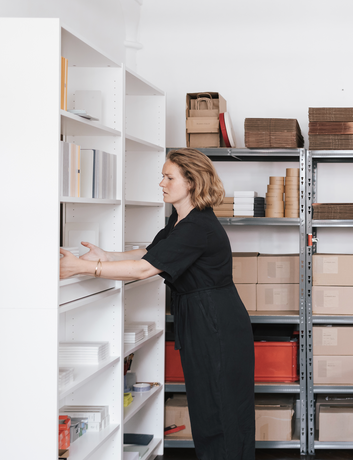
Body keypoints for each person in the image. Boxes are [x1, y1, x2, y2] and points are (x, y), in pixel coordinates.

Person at [60, 148, 256, 460]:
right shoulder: (181, 220)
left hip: (215, 323)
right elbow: (150, 251)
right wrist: (106, 256)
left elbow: (144, 269)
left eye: (169, 177)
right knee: (209, 408)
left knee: (220, 411)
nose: (161, 183)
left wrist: (83, 268)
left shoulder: (197, 227)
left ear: (190, 182)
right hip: (204, 318)